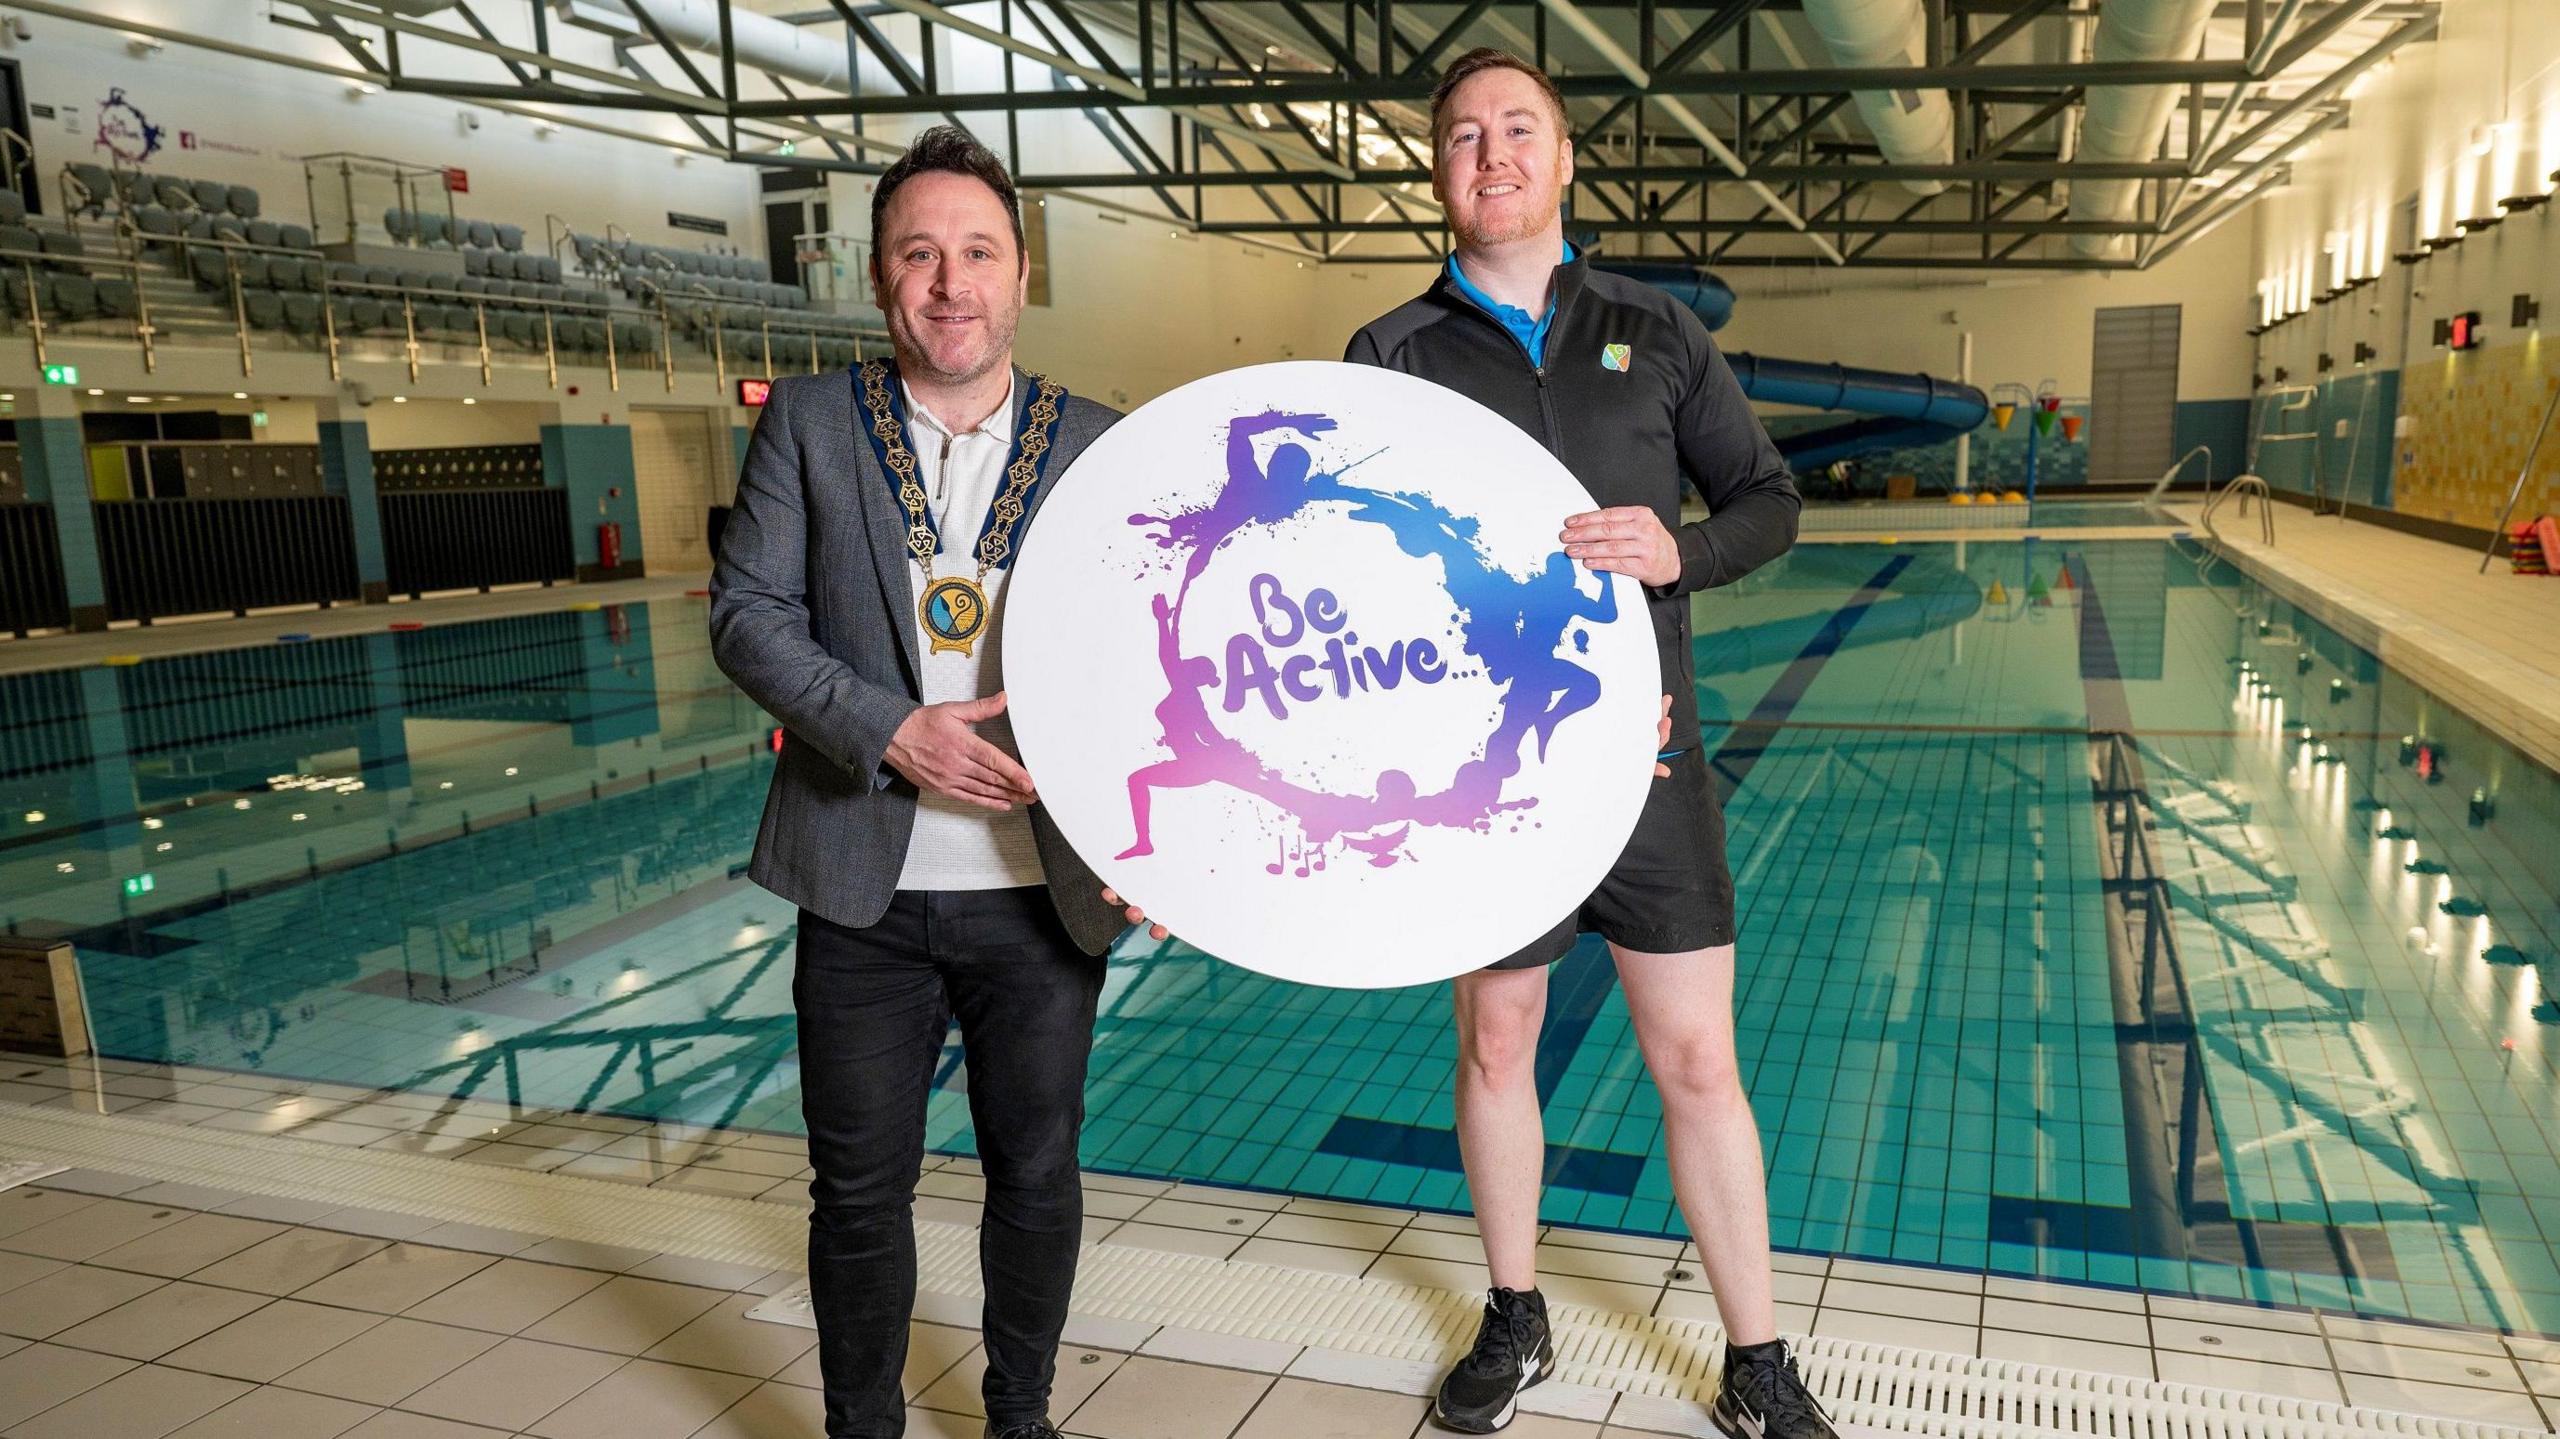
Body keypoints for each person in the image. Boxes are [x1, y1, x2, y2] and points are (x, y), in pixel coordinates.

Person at [1343, 46, 1829, 1439]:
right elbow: (1352, 575)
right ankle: (1516, 1313)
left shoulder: (1657, 332)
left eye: (1517, 131)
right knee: (1499, 1042)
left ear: (1565, 162)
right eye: (1460, 136)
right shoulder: (1391, 358)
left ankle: (1756, 1357)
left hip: (1650, 774)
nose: (1489, 154)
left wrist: (1675, 553)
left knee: (1698, 1062)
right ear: (1438, 173)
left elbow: (1769, 499)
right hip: (1483, 785)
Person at [710, 125, 1123, 1439]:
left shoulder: (1096, 445)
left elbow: (1157, 663)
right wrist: (892, 729)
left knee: (1037, 1171)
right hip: (860, 885)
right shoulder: (815, 425)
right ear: (881, 276)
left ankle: (1020, 1418)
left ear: (1021, 275)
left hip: (1036, 892)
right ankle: (862, 1428)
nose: (951, 283)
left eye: (978, 253)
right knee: (858, 1189)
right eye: (920, 253)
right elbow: (749, 617)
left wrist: (1160, 846)